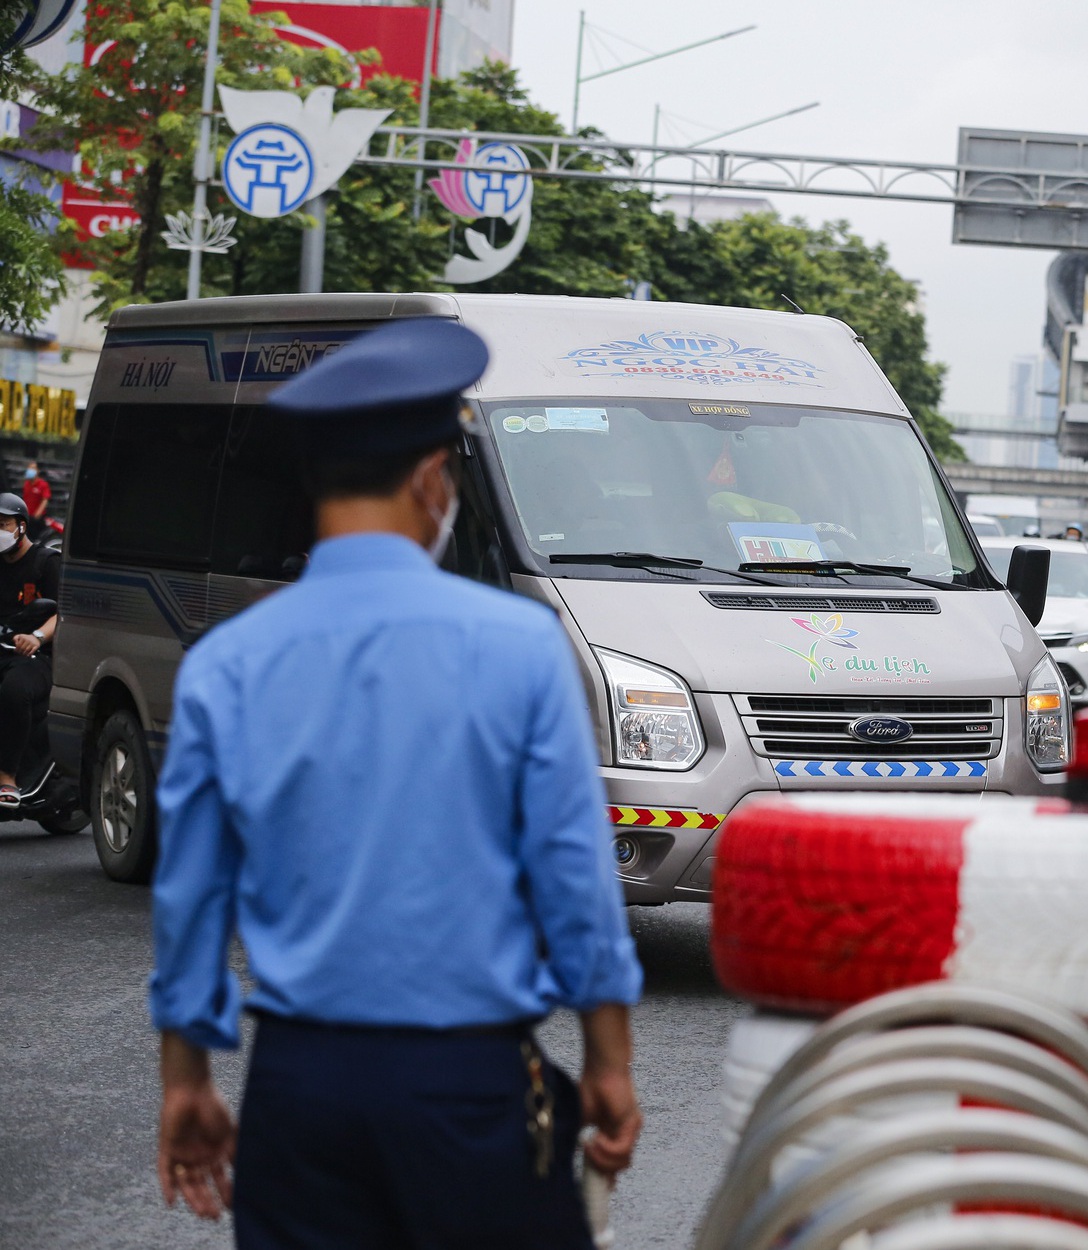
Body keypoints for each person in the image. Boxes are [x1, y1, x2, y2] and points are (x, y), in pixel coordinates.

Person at [148, 319, 644, 1247]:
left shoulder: (226, 664)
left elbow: (190, 898)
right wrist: (608, 1062)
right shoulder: (521, 647)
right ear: (430, 480)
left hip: (300, 1092)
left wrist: (186, 1082)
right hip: (470, 1090)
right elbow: (572, 876)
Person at [0, 491, 58, 805]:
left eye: (3, 524)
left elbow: (62, 613)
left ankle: (7, 777)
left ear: (21, 526)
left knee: (13, 691)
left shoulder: (45, 562)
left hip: (33, 656)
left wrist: (36, 636)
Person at [19, 462, 50, 539]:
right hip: (27, 517)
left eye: (33, 468)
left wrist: (38, 512)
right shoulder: (26, 484)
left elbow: (45, 499)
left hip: (38, 518)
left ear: (37, 471)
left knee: (38, 537)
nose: (30, 470)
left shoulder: (43, 484)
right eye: (29, 468)